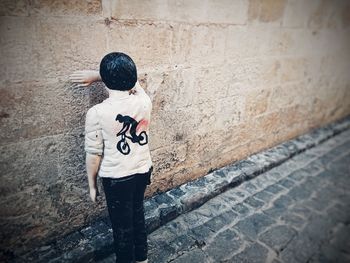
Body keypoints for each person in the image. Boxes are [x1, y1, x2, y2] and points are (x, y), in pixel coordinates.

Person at [70, 52, 153, 263]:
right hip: (143, 170)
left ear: (106, 81)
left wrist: (91, 184)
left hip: (117, 178)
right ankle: (142, 259)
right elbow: (136, 81)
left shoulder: (97, 113)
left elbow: (93, 153)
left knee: (122, 229)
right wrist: (101, 76)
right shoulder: (144, 101)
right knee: (137, 216)